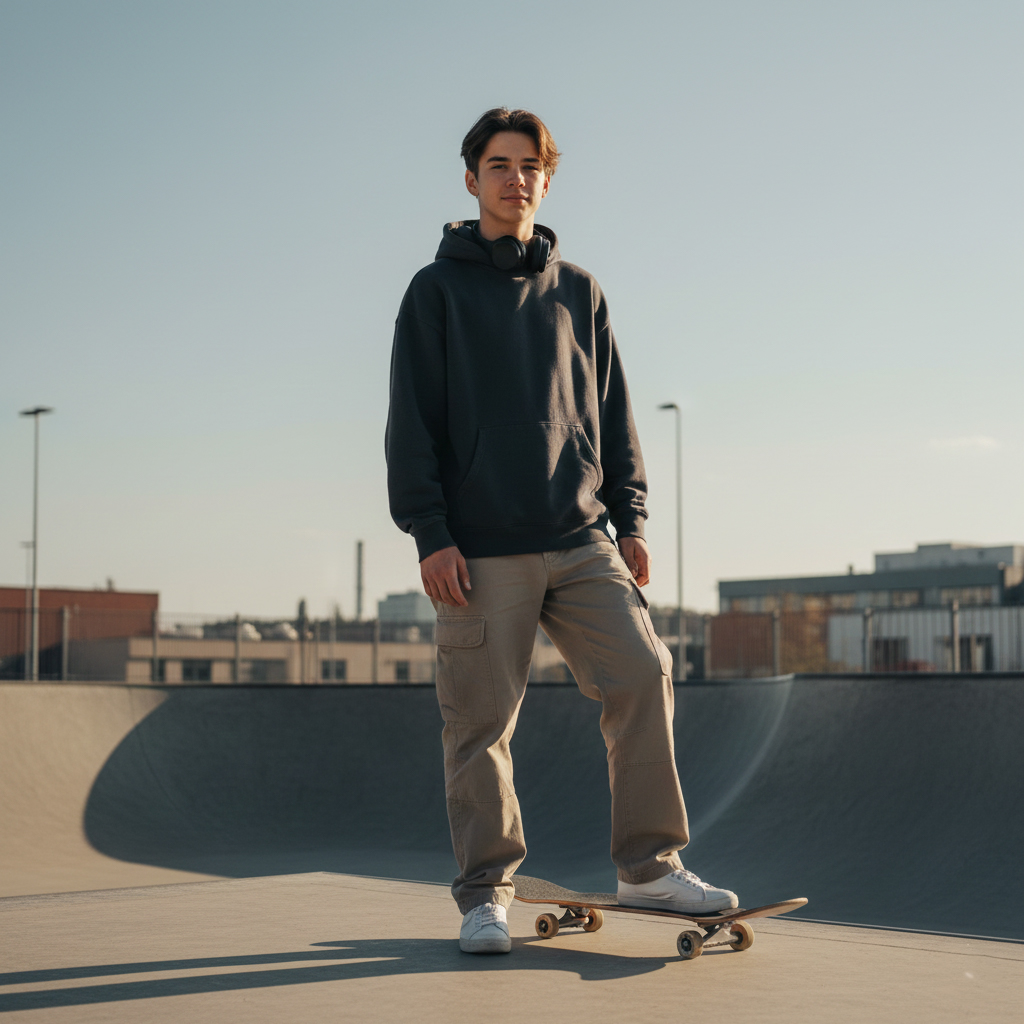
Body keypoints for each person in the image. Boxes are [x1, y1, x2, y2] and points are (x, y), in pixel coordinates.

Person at [385, 107, 737, 954]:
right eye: (498, 165)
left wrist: (633, 516)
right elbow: (411, 423)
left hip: (581, 535)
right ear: (471, 179)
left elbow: (611, 409)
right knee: (480, 726)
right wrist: (430, 531)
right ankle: (485, 896)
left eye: (530, 166)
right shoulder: (435, 292)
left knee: (643, 673)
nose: (515, 180)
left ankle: (649, 868)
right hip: (477, 549)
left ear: (548, 178)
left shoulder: (579, 290)